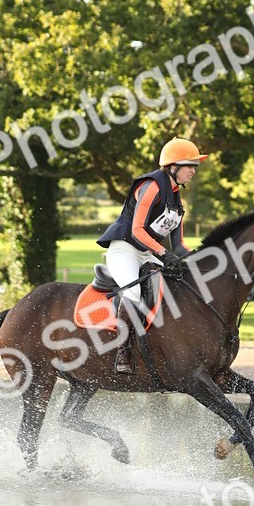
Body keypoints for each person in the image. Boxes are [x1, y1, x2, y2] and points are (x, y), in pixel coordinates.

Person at [96, 137, 208, 373]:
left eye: (194, 166)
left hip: (147, 253)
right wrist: (162, 252)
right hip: (124, 249)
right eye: (190, 165)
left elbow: (179, 248)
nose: (193, 171)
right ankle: (123, 351)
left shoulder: (176, 200)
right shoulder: (152, 186)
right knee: (133, 291)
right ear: (173, 166)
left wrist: (201, 259)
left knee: (180, 282)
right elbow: (137, 230)